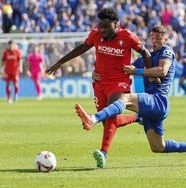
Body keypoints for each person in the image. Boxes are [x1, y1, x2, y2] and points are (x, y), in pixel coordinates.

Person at [75, 25, 186, 168]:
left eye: (158, 38)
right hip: (150, 105)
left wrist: (138, 71)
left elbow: (162, 71)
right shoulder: (146, 58)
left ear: (165, 39)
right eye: (152, 37)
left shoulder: (167, 52)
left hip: (158, 100)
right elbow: (123, 69)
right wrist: (98, 73)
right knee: (158, 146)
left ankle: (93, 118)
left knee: (125, 99)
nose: (154, 40)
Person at [45, 7, 152, 166]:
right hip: (100, 82)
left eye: (106, 27)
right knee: (109, 121)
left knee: (111, 112)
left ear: (116, 24)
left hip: (119, 81)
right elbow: (83, 47)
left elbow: (145, 53)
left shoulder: (128, 36)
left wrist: (148, 75)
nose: (102, 30)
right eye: (100, 26)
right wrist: (61, 62)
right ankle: (137, 117)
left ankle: (103, 153)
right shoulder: (96, 33)